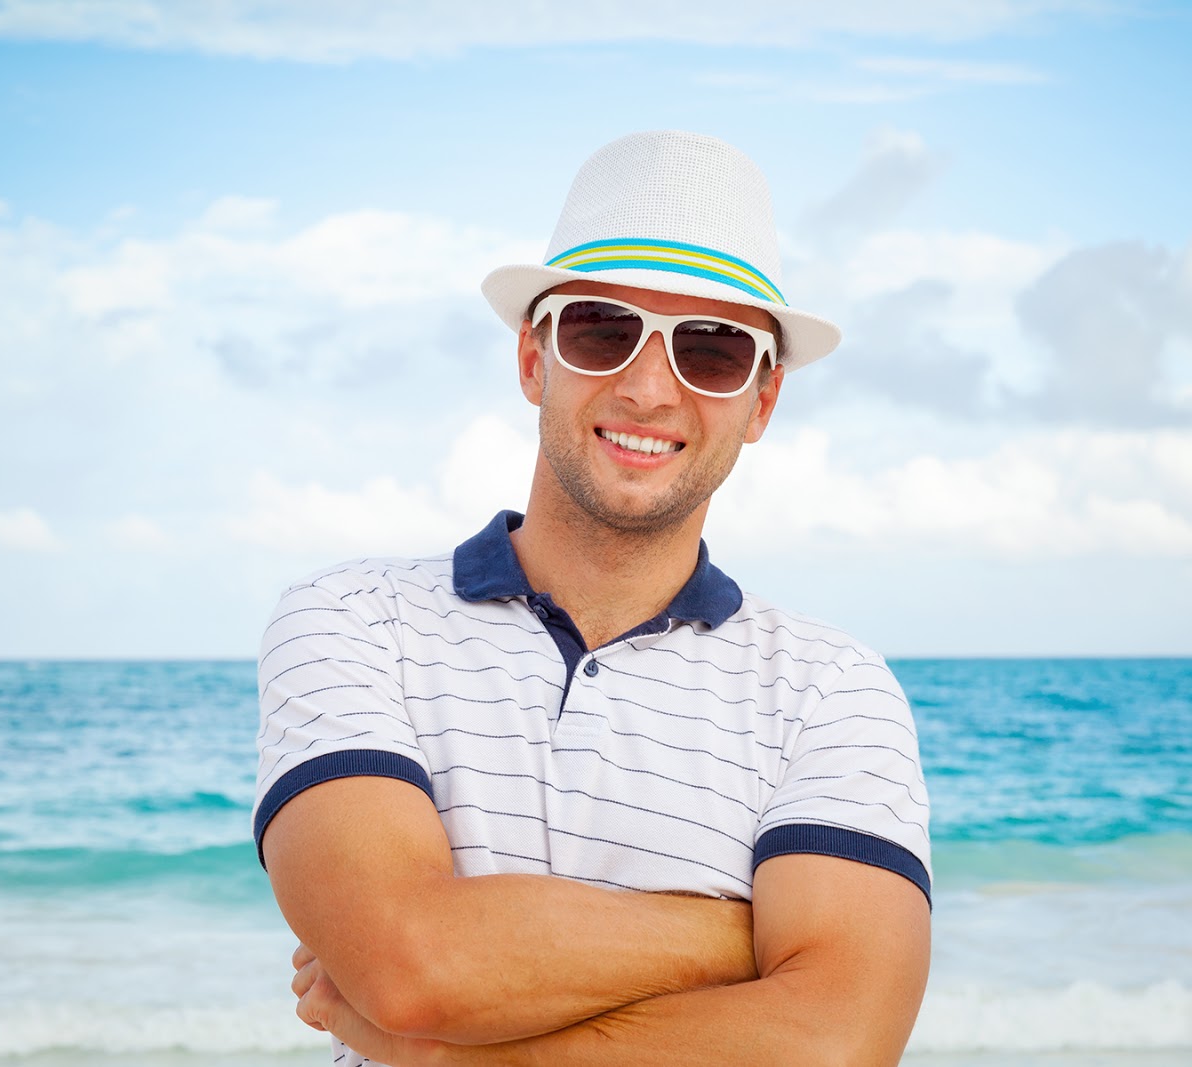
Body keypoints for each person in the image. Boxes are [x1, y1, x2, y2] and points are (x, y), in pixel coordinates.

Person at [254, 130, 932, 1067]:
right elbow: (414, 967)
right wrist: (743, 937)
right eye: (604, 329)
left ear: (763, 401)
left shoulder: (832, 688)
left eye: (713, 348)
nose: (652, 386)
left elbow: (837, 1042)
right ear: (535, 360)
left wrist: (462, 1057)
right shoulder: (351, 620)